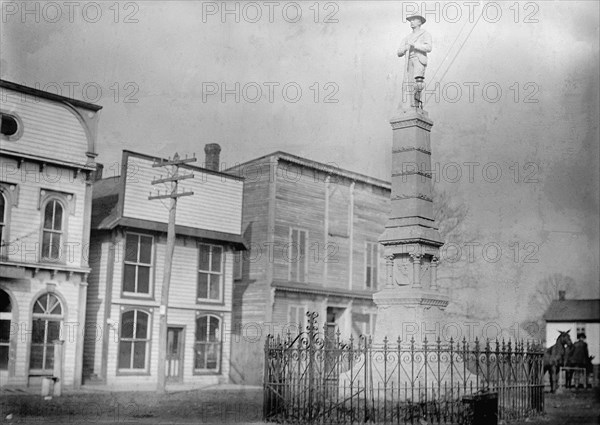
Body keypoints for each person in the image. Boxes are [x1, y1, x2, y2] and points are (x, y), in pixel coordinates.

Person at [398, 15, 432, 108]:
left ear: (420, 22)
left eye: (414, 20)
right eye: (410, 20)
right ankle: (410, 105)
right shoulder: (407, 37)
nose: (411, 22)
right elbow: (399, 52)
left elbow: (429, 48)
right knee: (409, 83)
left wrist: (415, 45)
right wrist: (406, 47)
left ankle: (416, 104)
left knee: (418, 83)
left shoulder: (425, 34)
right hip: (409, 60)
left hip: (419, 59)